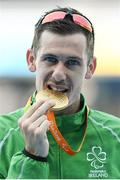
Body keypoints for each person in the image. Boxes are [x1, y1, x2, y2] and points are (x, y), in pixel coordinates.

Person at [0, 7, 120, 179]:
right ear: (31, 60)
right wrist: (32, 157)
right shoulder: (2, 134)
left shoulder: (116, 136)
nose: (58, 74)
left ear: (90, 68)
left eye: (72, 62)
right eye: (50, 59)